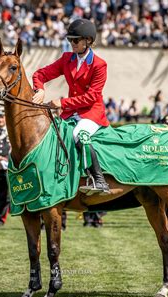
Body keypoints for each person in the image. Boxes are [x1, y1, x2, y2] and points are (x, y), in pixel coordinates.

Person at [32, 18, 110, 195]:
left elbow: (92, 97)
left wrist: (62, 103)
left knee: (78, 135)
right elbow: (40, 74)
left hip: (92, 113)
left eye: (75, 40)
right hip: (70, 113)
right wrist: (40, 89)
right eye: (70, 40)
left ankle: (99, 180)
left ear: (88, 41)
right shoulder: (67, 59)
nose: (72, 44)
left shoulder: (99, 64)